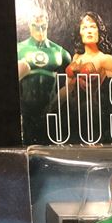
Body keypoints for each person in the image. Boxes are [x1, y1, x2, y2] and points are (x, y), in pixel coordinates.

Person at [17, 10, 71, 144]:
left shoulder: (59, 52)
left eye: (42, 20)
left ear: (47, 22)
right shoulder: (18, 49)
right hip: (25, 113)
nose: (38, 20)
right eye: (35, 20)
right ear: (28, 23)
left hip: (50, 114)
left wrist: (57, 101)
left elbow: (73, 82)